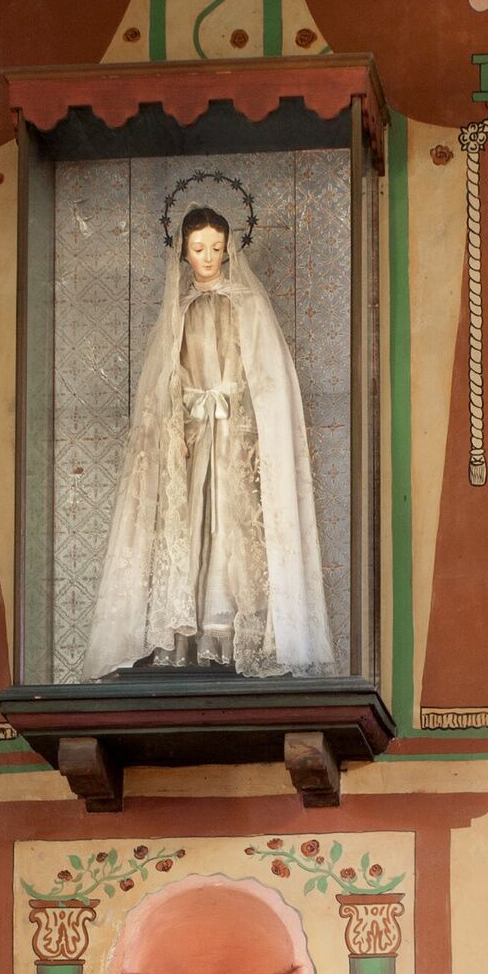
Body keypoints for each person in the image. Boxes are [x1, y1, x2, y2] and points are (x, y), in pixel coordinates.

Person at [79, 195, 331, 678]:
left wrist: (254, 432)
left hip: (234, 435)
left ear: (229, 249)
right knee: (189, 525)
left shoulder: (247, 305)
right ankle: (187, 634)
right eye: (199, 249)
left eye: (216, 248)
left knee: (233, 527)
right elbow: (162, 382)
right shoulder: (177, 311)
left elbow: (269, 378)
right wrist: (173, 428)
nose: (209, 258)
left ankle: (235, 633)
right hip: (193, 439)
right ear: (184, 253)